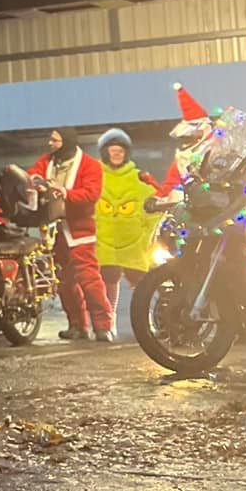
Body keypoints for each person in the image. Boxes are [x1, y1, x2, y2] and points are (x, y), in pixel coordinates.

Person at [30, 128, 112, 343]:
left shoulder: (90, 165)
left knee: (89, 280)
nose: (50, 143)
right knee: (63, 282)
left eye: (55, 140)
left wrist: (64, 193)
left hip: (80, 231)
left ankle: (103, 326)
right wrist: (37, 182)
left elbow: (91, 193)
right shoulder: (47, 161)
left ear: (66, 142)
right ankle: (77, 325)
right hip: (55, 233)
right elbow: (33, 174)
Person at [95, 129, 162, 336]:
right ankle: (108, 323)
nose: (116, 154)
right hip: (105, 242)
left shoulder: (139, 178)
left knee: (144, 284)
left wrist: (147, 233)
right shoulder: (95, 176)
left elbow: (156, 205)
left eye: (120, 151)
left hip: (135, 243)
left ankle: (151, 321)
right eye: (112, 150)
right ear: (105, 152)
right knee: (108, 282)